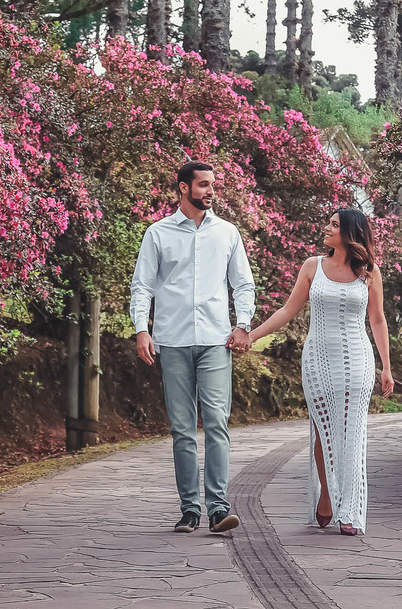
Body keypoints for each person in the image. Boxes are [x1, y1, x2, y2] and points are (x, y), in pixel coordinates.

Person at [248, 208, 393, 536]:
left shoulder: (370, 272)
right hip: (317, 361)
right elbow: (288, 309)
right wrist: (252, 335)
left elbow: (378, 319)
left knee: (353, 433)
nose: (325, 228)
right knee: (323, 430)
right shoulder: (312, 266)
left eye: (333, 225)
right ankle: (327, 495)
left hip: (358, 361)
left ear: (350, 232)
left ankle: (348, 509)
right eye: (327, 222)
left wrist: (387, 366)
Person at [130, 161, 256, 534]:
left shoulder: (228, 233)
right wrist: (141, 329)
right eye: (202, 185)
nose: (210, 191)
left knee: (217, 423)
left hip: (217, 341)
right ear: (183, 188)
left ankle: (218, 508)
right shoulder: (158, 233)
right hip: (172, 340)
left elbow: (243, 285)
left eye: (212, 185)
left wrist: (243, 324)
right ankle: (189, 510)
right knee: (182, 429)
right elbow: (143, 286)